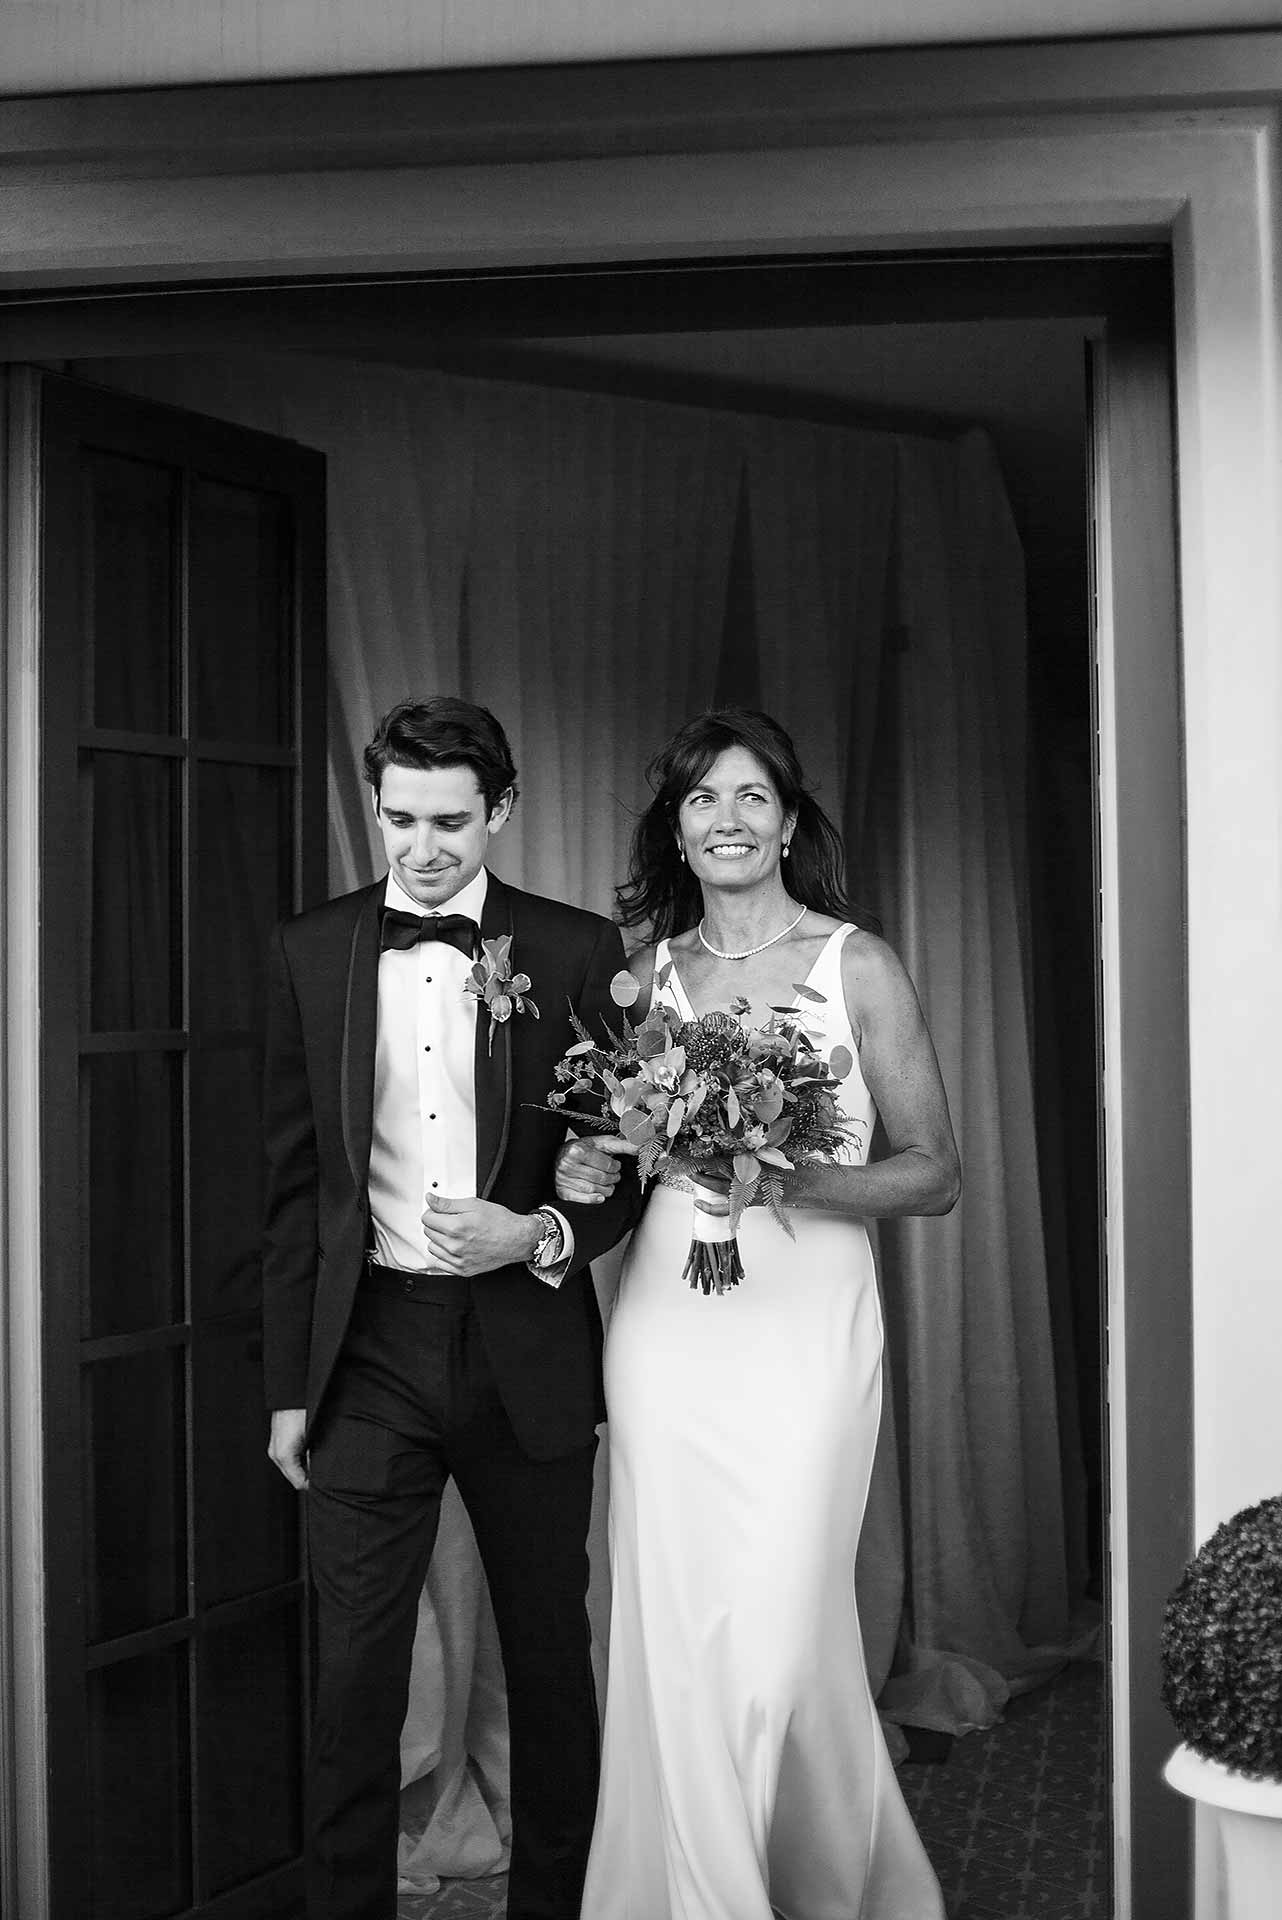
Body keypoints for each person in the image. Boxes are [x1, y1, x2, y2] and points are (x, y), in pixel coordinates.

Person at [556, 707, 961, 1920]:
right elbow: (617, 1158)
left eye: (750, 797)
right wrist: (588, 1170)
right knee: (678, 1627)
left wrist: (778, 1176)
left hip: (805, 1331)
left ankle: (826, 1882)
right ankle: (698, 1894)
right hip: (670, 1334)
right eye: (701, 800)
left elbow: (934, 1174)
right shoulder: (642, 979)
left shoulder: (857, 965)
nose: (726, 820)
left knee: (781, 1633)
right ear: (676, 832)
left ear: (787, 823)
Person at [261, 697, 637, 1920]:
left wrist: (539, 1231)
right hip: (366, 1352)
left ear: (501, 811)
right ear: (377, 808)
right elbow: (293, 1191)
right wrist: (287, 1390)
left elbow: (626, 1166)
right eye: (401, 820)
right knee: (354, 1677)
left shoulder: (575, 950)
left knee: (549, 1661)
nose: (422, 849)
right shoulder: (311, 949)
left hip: (525, 1346)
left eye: (451, 823)